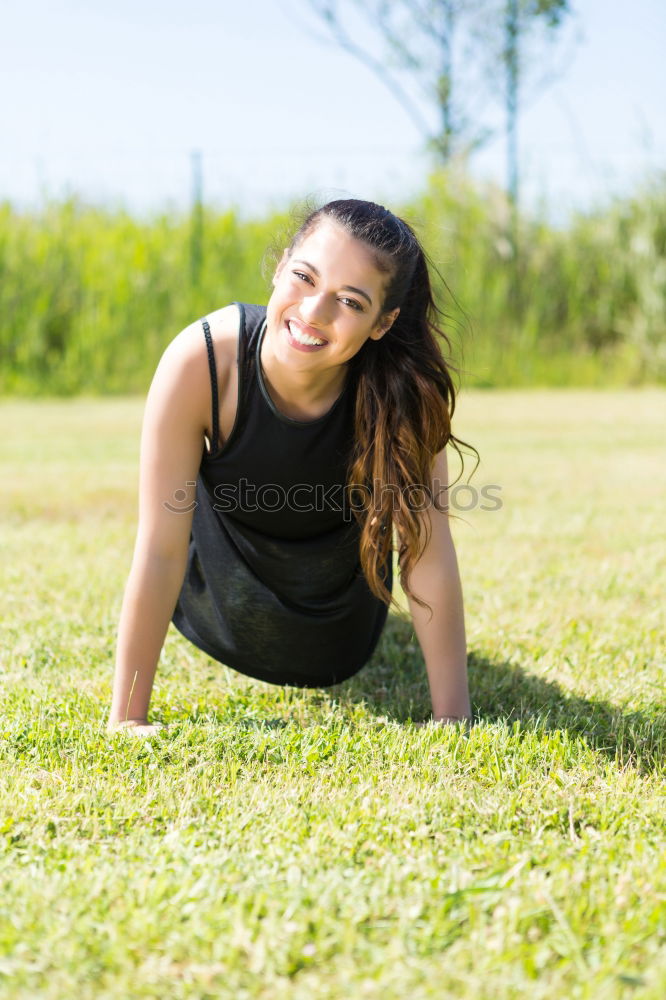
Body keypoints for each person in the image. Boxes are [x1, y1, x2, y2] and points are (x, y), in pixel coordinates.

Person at [107, 198, 475, 736]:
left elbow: (426, 550)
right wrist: (127, 718)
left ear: (383, 322)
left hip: (339, 626)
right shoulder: (203, 361)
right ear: (280, 266)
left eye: (350, 300)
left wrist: (453, 717)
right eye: (305, 277)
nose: (313, 312)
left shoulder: (402, 397)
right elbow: (161, 546)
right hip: (213, 592)